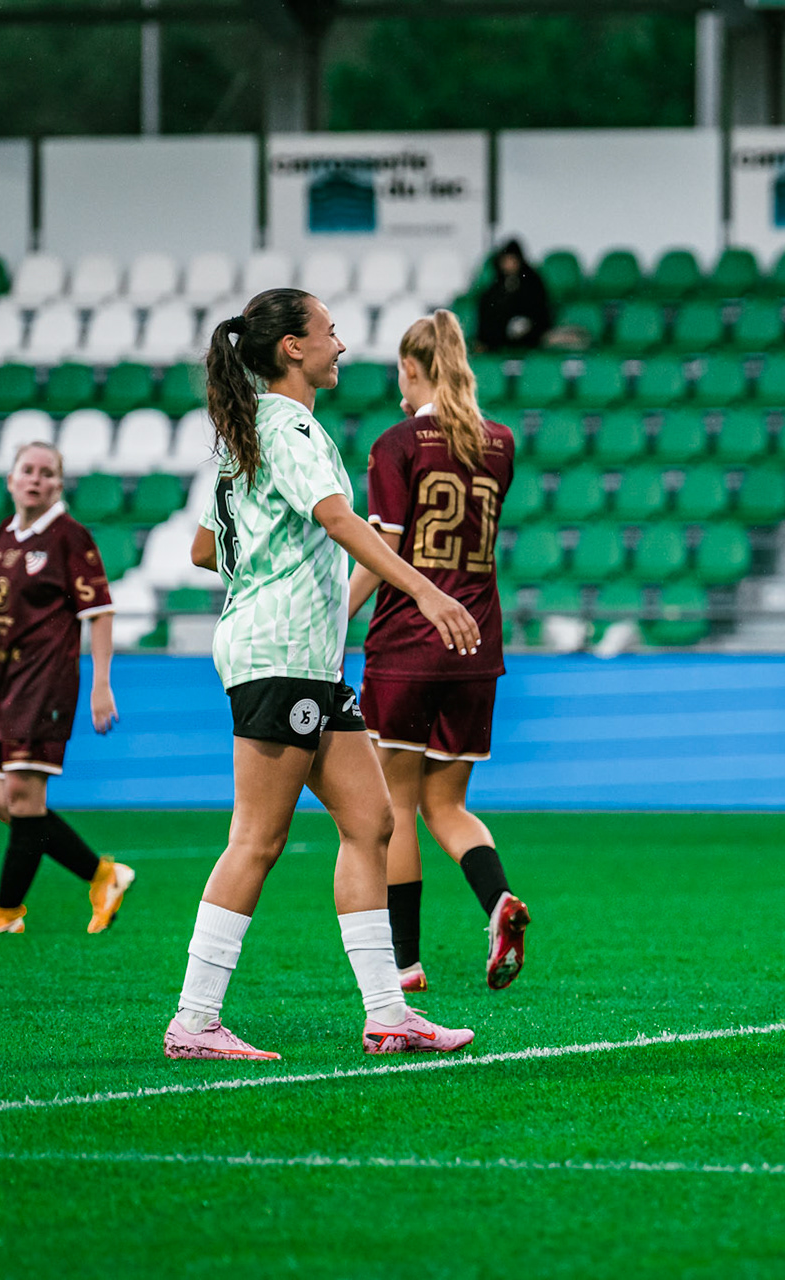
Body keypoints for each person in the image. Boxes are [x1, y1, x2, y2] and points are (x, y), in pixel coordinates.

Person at [164, 288, 482, 1061]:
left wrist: (265, 562)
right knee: (259, 839)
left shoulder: (244, 435)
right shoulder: (293, 426)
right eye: (330, 332)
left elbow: (205, 552)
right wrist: (425, 589)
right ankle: (195, 1021)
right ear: (292, 350)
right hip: (282, 655)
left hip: (297, 656)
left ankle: (388, 1014)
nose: (341, 345)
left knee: (371, 821)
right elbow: (338, 519)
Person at [348, 309, 529, 995]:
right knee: (447, 804)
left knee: (394, 805)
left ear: (412, 368)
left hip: (406, 642)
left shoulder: (397, 443)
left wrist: (336, 612)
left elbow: (386, 545)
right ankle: (497, 903)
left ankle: (405, 963)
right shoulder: (500, 442)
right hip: (477, 641)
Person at [0, 441, 132, 935]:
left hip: (45, 683)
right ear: (10, 479)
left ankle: (6, 912)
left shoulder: (70, 537)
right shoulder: (4, 534)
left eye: (48, 473)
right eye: (28, 470)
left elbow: (100, 612)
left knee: (24, 799)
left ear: (59, 485)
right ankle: (102, 874)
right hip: (3, 683)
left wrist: (101, 684)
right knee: (2, 804)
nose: (36, 479)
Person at [473, 240, 554, 352]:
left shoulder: (532, 282)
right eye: (506, 260)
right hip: (500, 340)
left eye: (512, 260)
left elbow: (540, 311)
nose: (509, 264)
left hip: (530, 337)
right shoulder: (495, 286)